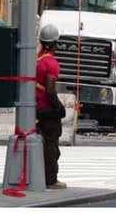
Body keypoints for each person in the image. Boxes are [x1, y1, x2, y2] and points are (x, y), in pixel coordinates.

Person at [35, 24, 66, 190]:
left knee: (41, 145)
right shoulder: (51, 63)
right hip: (47, 110)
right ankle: (51, 179)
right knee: (51, 145)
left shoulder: (36, 59)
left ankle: (38, 175)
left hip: (35, 108)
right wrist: (58, 108)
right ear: (55, 43)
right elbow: (50, 89)